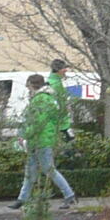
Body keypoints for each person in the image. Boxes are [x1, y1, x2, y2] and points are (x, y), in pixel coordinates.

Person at [14, 73, 76, 211]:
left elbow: (37, 122)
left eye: (28, 86)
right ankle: (21, 199)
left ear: (32, 85)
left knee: (45, 170)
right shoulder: (47, 98)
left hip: (40, 140)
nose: (27, 89)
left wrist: (25, 136)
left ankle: (69, 195)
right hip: (43, 139)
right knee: (34, 171)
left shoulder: (40, 99)